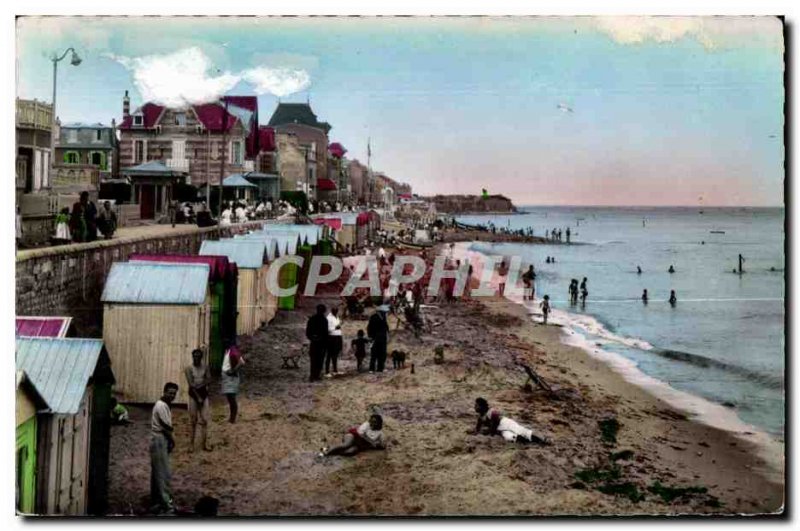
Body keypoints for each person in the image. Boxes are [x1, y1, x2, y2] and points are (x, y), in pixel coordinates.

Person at [150, 382, 178, 514]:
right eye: (170, 392)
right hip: (159, 438)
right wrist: (172, 441)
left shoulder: (164, 405)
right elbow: (166, 428)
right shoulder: (161, 405)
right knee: (163, 474)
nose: (172, 395)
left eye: (174, 393)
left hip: (159, 439)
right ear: (164, 391)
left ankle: (157, 502)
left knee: (157, 472)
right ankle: (167, 504)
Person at [472, 398, 548, 444]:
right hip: (500, 430)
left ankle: (542, 440)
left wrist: (487, 432)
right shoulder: (480, 417)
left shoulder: (492, 412)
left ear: (482, 406)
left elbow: (493, 428)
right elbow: (477, 429)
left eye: (476, 406)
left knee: (522, 431)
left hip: (505, 423)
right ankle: (530, 442)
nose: (475, 407)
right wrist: (477, 432)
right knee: (511, 438)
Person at [320, 413, 386, 457]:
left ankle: (329, 448)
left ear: (378, 423)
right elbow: (361, 434)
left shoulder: (380, 433)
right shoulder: (366, 424)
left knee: (349, 452)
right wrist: (372, 441)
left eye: (374, 422)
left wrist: (379, 445)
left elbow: (382, 444)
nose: (372, 423)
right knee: (346, 445)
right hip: (353, 436)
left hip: (359, 445)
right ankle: (325, 453)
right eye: (371, 421)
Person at [184, 349, 212, 451]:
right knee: (193, 421)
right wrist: (198, 397)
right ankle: (191, 444)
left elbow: (209, 379)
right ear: (192, 357)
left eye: (199, 356)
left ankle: (204, 444)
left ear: (201, 357)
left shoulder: (205, 367)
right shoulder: (188, 368)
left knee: (204, 420)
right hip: (193, 396)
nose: (196, 358)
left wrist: (200, 385)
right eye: (195, 356)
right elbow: (191, 385)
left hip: (204, 395)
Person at [221, 345, 244, 423]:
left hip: (231, 378)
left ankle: (232, 419)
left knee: (232, 398)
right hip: (228, 377)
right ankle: (231, 418)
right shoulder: (228, 350)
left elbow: (241, 362)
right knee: (230, 398)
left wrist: (233, 371)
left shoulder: (232, 349)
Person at [306, 304, 329, 382]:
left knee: (313, 361)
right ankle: (316, 375)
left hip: (314, 343)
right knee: (320, 361)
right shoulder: (324, 320)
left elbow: (308, 332)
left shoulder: (312, 319)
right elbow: (326, 333)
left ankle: (313, 375)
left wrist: (312, 338)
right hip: (321, 343)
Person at [367, 305, 390, 373]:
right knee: (374, 354)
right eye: (385, 312)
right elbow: (369, 327)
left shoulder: (384, 318)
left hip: (383, 338)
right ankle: (371, 368)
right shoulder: (373, 317)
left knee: (382, 354)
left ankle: (381, 368)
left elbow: (386, 327)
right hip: (375, 338)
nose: (386, 313)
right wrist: (370, 337)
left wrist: (387, 334)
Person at [325, 307, 343, 377]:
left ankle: (335, 370)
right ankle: (327, 371)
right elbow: (327, 329)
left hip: (338, 336)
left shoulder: (337, 316)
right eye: (335, 311)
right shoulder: (329, 318)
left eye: (337, 311)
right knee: (329, 355)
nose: (336, 312)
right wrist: (335, 328)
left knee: (335, 354)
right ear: (332, 311)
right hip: (331, 337)